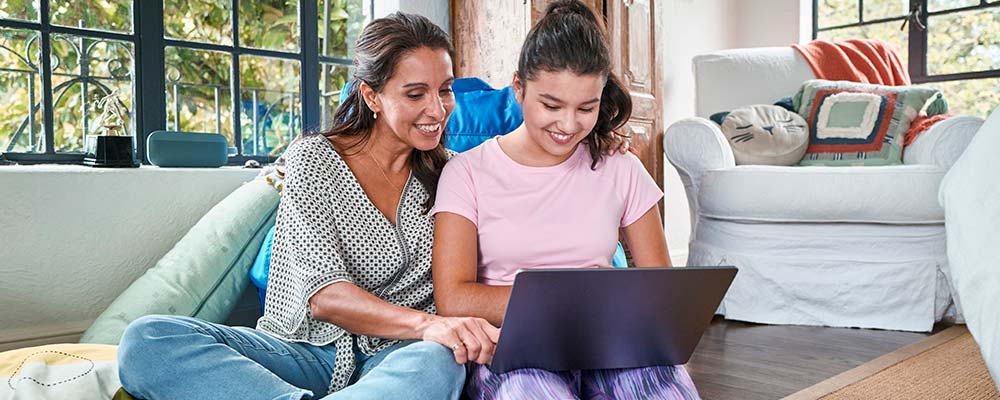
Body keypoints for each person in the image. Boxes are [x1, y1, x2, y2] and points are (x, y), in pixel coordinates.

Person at [116, 12, 498, 400]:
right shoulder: (313, 159)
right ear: (372, 97)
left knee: (439, 362)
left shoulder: (454, 172)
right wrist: (428, 324)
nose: (437, 110)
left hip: (398, 356)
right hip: (304, 353)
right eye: (415, 94)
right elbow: (325, 296)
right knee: (146, 339)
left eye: (445, 90)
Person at [430, 1, 701, 399]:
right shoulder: (466, 173)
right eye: (551, 106)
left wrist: (607, 313)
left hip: (610, 345)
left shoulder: (620, 167)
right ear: (518, 87)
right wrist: (563, 306)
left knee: (664, 390)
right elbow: (452, 297)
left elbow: (660, 291)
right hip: (513, 352)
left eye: (586, 108)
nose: (568, 125)